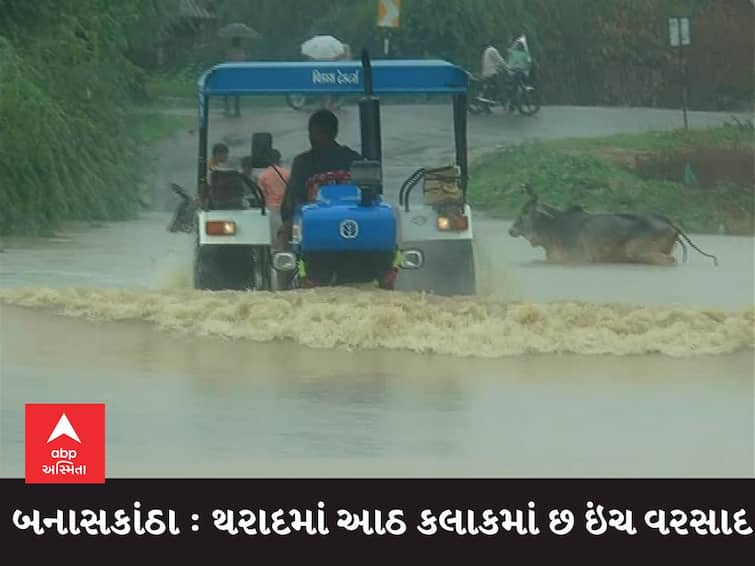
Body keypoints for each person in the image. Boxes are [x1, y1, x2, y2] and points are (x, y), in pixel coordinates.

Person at [278, 109, 361, 246]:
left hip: (351, 217)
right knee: (285, 231)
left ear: (334, 133)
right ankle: (284, 264)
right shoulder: (303, 162)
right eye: (315, 133)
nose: (316, 138)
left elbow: (368, 193)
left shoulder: (353, 160)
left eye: (322, 133)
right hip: (312, 215)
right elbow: (293, 198)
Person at [225, 37, 246, 117]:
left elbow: (227, 60)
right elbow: (244, 60)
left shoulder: (230, 51)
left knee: (227, 89)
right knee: (237, 91)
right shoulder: (242, 51)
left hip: (231, 72)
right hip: (239, 72)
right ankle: (237, 109)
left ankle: (227, 106)